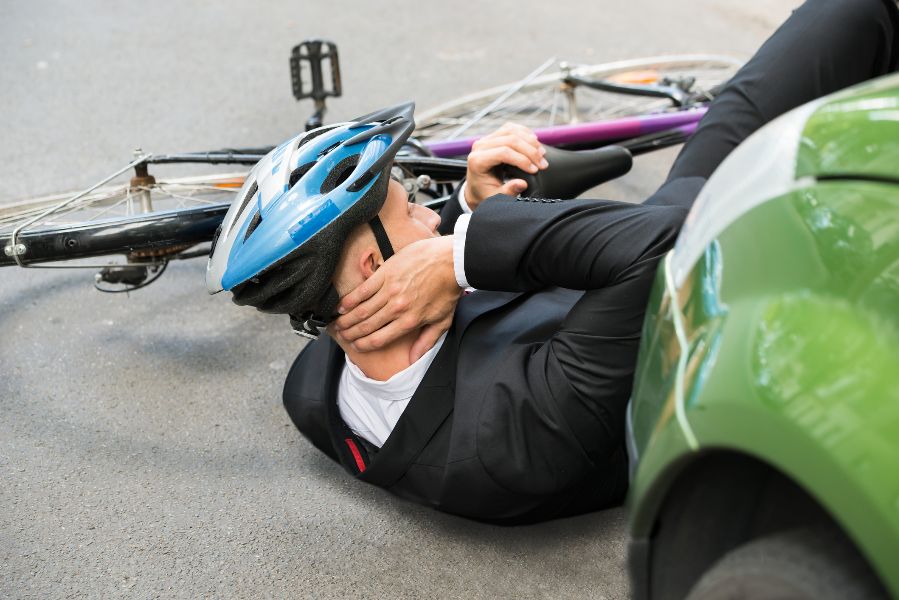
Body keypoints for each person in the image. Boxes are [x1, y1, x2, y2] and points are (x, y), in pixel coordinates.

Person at [208, 0, 899, 523]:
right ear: (373, 273)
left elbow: (447, 259)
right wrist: (469, 249)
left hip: (640, 237)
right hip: (747, 291)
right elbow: (670, 242)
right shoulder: (513, 435)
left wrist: (470, 210)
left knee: (853, 12)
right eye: (411, 209)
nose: (432, 211)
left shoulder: (319, 378)